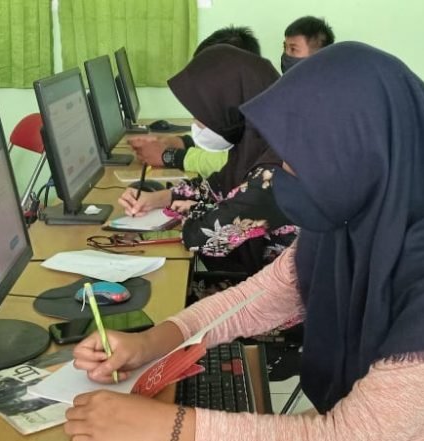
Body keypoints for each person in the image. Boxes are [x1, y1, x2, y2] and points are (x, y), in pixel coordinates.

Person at [64, 42, 424, 441]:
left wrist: (162, 426)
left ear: (358, 148)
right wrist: (153, 342)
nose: (284, 172)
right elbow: (260, 296)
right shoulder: (360, 217)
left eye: (300, 155)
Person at [120, 45, 297, 291]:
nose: (196, 123)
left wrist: (190, 210)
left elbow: (202, 237)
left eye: (201, 114)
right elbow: (215, 188)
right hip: (262, 282)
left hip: (285, 300)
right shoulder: (258, 143)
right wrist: (159, 198)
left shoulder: (274, 171)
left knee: (163, 292)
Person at [129, 26, 261, 178]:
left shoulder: (266, 122)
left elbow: (233, 163)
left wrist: (170, 156)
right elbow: (220, 143)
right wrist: (178, 142)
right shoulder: (242, 102)